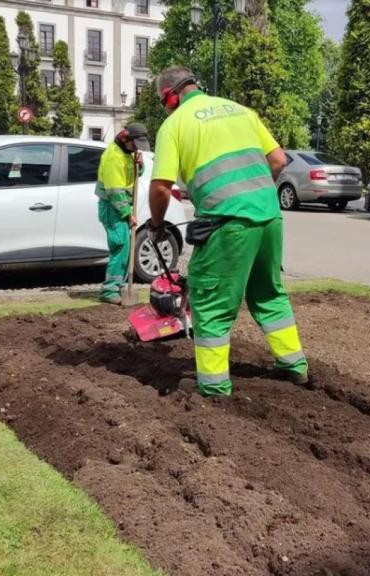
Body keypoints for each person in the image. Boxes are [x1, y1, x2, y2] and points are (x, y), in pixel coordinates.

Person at [147, 66, 308, 396]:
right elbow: (277, 159)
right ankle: (294, 367)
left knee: (211, 302)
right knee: (269, 293)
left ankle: (214, 387)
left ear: (171, 96)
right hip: (269, 219)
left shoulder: (174, 124)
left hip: (228, 225)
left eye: (164, 101)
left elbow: (161, 187)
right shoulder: (240, 110)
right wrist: (255, 197)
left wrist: (157, 225)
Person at [96, 123, 149, 304]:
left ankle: (116, 288)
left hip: (121, 206)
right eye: (135, 144)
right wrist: (128, 213)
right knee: (120, 247)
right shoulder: (113, 156)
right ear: (126, 139)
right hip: (113, 208)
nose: (136, 148)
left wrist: (139, 166)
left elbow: (131, 176)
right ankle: (110, 290)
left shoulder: (127, 154)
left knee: (125, 248)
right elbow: (114, 191)